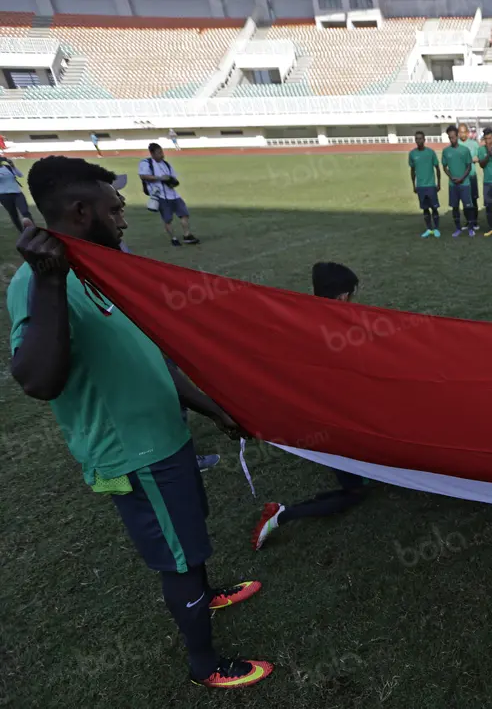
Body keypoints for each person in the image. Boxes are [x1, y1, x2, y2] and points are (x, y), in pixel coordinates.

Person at [7, 156, 271, 688]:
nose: (125, 216)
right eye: (115, 208)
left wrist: (212, 409)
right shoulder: (38, 282)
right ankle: (205, 663)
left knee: (188, 540)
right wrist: (50, 282)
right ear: (81, 212)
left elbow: (149, 356)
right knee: (177, 559)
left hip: (168, 439)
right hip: (136, 456)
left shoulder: (101, 266)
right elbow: (37, 380)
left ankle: (206, 589)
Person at [253, 263, 371, 550]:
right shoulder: (339, 327)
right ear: (343, 297)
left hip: (321, 417)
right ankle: (281, 515)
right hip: (334, 423)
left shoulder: (305, 318)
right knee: (355, 491)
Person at [138, 143, 198, 246]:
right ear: (152, 154)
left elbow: (173, 177)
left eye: (162, 152)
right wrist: (160, 178)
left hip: (173, 194)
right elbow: (143, 176)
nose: (162, 155)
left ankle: (187, 235)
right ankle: (173, 238)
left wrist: (172, 182)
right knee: (167, 219)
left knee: (184, 214)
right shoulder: (146, 163)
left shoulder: (166, 164)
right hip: (160, 196)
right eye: (159, 153)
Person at [441, 126, 477, 238]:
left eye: (453, 137)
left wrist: (462, 178)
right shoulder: (446, 151)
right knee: (455, 207)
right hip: (453, 185)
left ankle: (471, 228)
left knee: (468, 207)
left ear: (457, 136)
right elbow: (444, 167)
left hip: (464, 184)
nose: (452, 139)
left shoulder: (465, 150)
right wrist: (451, 177)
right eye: (450, 138)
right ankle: (458, 228)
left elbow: (469, 167)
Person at [408, 130, 442, 239]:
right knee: (425, 209)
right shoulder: (412, 154)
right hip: (420, 186)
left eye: (420, 138)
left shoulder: (430, 152)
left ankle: (436, 229)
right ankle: (428, 229)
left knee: (434, 208)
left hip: (431, 185)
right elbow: (412, 170)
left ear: (424, 139)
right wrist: (414, 185)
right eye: (416, 139)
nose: (418, 140)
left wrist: (438, 183)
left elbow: (437, 168)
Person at [0, 155, 34, 234]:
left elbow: (20, 175)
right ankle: (22, 232)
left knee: (25, 212)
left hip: (17, 193)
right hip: (4, 196)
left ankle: (33, 229)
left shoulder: (7, 167)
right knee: (14, 214)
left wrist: (13, 166)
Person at [457, 123, 482, 217]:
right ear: (458, 133)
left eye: (464, 132)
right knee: (464, 199)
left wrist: (477, 158)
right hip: (461, 176)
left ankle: (475, 221)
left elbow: (480, 157)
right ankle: (468, 221)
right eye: (460, 132)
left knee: (473, 198)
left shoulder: (474, 144)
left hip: (471, 175)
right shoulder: (456, 144)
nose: (462, 134)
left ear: (467, 133)